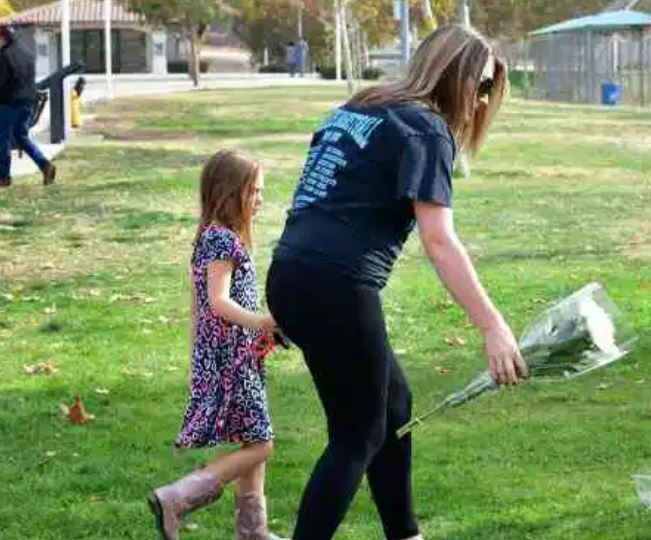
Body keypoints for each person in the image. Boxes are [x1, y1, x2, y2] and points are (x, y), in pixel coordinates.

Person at [265, 24, 525, 540]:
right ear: (455, 78)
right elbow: (439, 241)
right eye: (480, 86)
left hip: (293, 271)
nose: (482, 99)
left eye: (490, 89)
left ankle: (404, 534)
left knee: (393, 405)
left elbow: (320, 197)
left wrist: (298, 298)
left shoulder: (359, 108)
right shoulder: (426, 129)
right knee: (356, 436)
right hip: (336, 284)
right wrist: (493, 326)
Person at [148, 150, 287, 540]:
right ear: (230, 193)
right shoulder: (221, 240)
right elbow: (217, 300)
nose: (260, 200)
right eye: (254, 191)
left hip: (234, 353)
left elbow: (199, 307)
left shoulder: (213, 236)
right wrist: (263, 321)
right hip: (232, 358)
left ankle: (253, 532)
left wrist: (200, 357)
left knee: (251, 437)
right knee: (261, 446)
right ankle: (178, 497)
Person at [0, 25, 55, 188]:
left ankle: (3, 177)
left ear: (3, 37)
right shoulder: (27, 53)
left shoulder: (4, 56)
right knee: (21, 137)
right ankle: (45, 166)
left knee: (2, 139)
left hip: (8, 104)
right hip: (28, 103)